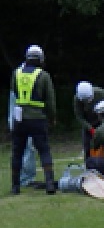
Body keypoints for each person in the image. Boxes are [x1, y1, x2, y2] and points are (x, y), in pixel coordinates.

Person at [9, 45, 57, 195]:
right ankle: (49, 183)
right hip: (38, 119)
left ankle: (15, 186)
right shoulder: (43, 75)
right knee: (44, 150)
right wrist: (52, 117)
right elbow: (50, 100)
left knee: (17, 152)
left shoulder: (16, 73)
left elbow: (15, 93)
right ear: (41, 59)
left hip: (20, 118)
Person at [74, 80, 104, 159]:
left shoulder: (101, 94)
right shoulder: (77, 99)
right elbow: (79, 116)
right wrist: (90, 128)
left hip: (103, 123)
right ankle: (89, 167)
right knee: (87, 147)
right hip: (89, 124)